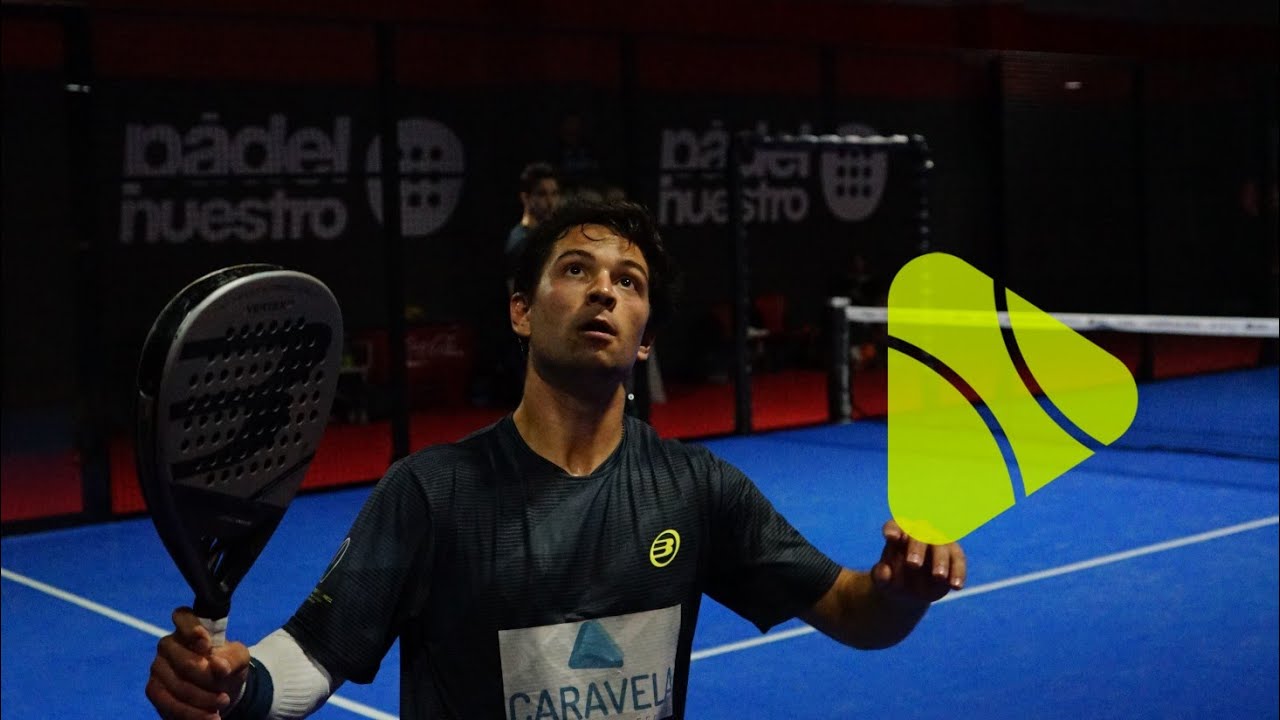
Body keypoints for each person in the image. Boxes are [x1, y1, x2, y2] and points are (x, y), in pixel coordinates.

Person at [146, 199, 967, 720]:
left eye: (629, 281)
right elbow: (313, 655)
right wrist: (234, 688)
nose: (605, 290)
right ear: (520, 310)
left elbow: (857, 616)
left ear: (646, 334)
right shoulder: (432, 493)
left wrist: (901, 592)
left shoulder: (699, 489)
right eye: (576, 270)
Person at [505, 162, 562, 293]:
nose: (550, 202)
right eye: (542, 194)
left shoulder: (545, 235)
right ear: (526, 198)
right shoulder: (521, 242)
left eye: (554, 194)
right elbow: (516, 292)